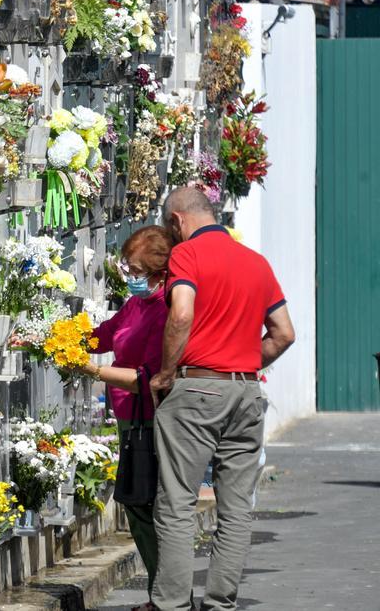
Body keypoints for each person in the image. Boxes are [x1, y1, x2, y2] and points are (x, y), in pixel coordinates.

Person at [148, 187, 296, 611]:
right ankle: (220, 604)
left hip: (196, 388)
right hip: (247, 390)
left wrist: (166, 372)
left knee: (177, 504)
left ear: (177, 221)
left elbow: (181, 313)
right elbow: (284, 332)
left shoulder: (187, 256)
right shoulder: (256, 261)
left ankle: (173, 604)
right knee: (236, 509)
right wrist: (245, 361)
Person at [81, 225, 173, 611]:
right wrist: (56, 338)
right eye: (127, 269)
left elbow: (146, 379)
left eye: (135, 271)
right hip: (128, 419)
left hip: (150, 419)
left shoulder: (167, 308)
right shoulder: (138, 304)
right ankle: (161, 593)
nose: (129, 277)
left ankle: (165, 594)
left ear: (158, 271)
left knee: (148, 506)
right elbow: (105, 334)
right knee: (138, 507)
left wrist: (91, 370)